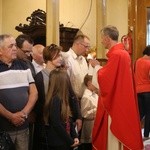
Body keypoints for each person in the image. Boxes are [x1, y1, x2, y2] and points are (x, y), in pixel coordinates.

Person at [91, 25, 143, 150]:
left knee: (115, 134)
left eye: (102, 38)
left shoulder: (117, 55)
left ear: (108, 38)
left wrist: (97, 67)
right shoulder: (122, 53)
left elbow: (106, 79)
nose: (102, 41)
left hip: (116, 101)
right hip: (122, 97)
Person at [33, 44, 82, 150]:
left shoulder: (62, 74)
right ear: (48, 57)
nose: (60, 58)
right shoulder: (39, 77)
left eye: (60, 55)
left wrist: (78, 116)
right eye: (57, 56)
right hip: (50, 126)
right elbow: (40, 103)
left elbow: (72, 96)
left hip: (66, 120)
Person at [0, 34, 38, 150]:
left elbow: (34, 92)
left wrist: (24, 113)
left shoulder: (24, 65)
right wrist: (11, 116)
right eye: (11, 46)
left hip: (23, 126)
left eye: (15, 45)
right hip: (3, 129)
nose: (15, 48)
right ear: (0, 50)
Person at [42, 68, 79, 150]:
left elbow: (68, 119)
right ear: (62, 83)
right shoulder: (55, 100)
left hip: (65, 140)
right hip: (58, 143)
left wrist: (74, 136)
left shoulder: (63, 98)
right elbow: (56, 124)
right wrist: (70, 141)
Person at [62, 34, 90, 100]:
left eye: (88, 47)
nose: (87, 50)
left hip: (84, 98)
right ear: (77, 44)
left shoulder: (83, 59)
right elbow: (65, 83)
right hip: (72, 99)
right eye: (86, 46)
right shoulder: (66, 58)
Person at [134, 45, 150, 140]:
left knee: (140, 113)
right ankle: (146, 135)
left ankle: (133, 131)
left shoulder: (137, 61)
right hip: (148, 91)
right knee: (149, 113)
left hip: (137, 91)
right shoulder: (149, 63)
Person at [80, 74, 98, 150]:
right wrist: (97, 110)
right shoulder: (86, 97)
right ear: (89, 83)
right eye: (96, 82)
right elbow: (84, 114)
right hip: (89, 126)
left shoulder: (95, 94)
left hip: (95, 124)